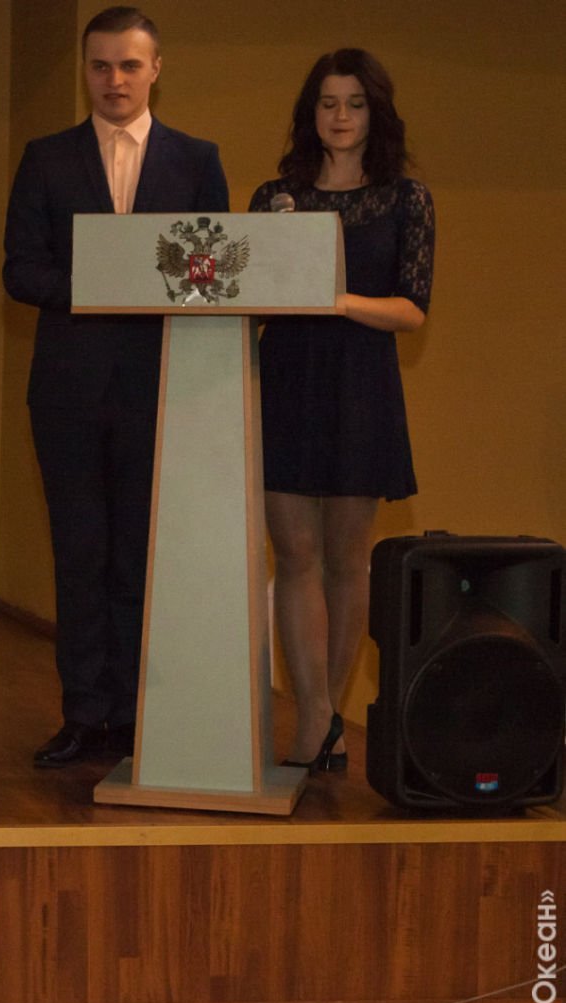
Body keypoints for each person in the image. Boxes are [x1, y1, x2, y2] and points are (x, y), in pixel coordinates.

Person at [2, 5, 228, 768]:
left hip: (164, 389)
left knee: (141, 557)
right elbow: (19, 269)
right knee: (78, 556)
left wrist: (150, 285)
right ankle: (83, 714)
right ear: (85, 71)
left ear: (156, 69)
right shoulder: (46, 157)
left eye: (130, 65)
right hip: (67, 391)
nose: (115, 80)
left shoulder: (197, 160)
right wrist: (97, 285)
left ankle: (137, 716)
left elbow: (215, 274)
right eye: (100, 65)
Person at [249, 50, 433, 771]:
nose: (341, 116)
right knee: (294, 554)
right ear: (311, 113)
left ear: (375, 113)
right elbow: (250, 293)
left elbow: (413, 311)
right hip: (288, 377)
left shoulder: (407, 198)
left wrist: (336, 299)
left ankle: (325, 710)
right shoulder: (275, 197)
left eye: (354, 103)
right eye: (328, 103)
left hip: (362, 383)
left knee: (346, 559)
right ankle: (316, 716)